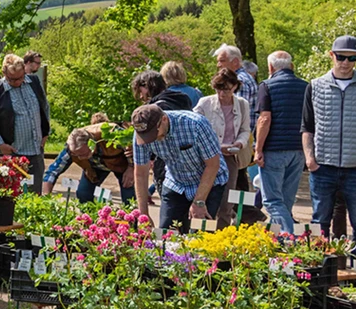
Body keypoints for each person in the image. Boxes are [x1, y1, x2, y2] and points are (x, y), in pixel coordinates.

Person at [302, 35, 356, 261]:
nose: (346, 62)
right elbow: (307, 127)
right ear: (331, 55)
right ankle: (321, 269)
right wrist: (310, 159)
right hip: (322, 168)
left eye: (352, 58)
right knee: (320, 222)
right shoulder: (315, 86)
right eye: (341, 57)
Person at [131, 104, 229, 232]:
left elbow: (212, 165)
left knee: (200, 235)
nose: (152, 139)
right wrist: (143, 214)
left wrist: (199, 202)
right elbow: (140, 174)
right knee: (165, 233)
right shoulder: (141, 134)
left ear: (164, 120)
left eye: (154, 133)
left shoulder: (195, 124)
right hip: (176, 182)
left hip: (210, 181)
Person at [254, 50, 311, 234]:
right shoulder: (307, 86)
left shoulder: (266, 86)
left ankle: (290, 237)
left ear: (270, 67)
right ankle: (278, 239)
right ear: (291, 66)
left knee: (271, 201)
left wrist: (258, 148)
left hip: (274, 149)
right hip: (298, 149)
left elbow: (264, 119)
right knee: (286, 200)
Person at [196, 68, 255, 227]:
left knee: (227, 199)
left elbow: (245, 130)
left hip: (231, 156)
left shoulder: (242, 104)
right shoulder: (205, 103)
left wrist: (240, 143)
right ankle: (203, 231)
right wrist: (215, 145)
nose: (222, 93)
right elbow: (195, 128)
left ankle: (222, 232)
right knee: (205, 195)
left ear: (235, 86)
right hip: (208, 156)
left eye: (227, 89)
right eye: (218, 89)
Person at [0, 53, 52, 181]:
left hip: (36, 151)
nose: (17, 82)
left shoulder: (34, 82)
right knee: (13, 195)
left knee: (35, 196)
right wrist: (0, 144)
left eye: (21, 77)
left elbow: (45, 107)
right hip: (13, 153)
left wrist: (46, 132)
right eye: (12, 79)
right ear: (4, 74)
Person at [66, 113, 133, 204]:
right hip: (96, 165)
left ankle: (132, 217)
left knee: (130, 197)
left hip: (122, 164)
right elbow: (54, 171)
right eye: (76, 155)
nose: (80, 158)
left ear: (90, 143)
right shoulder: (72, 143)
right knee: (83, 193)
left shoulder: (113, 132)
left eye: (83, 154)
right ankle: (89, 217)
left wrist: (131, 167)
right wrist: (87, 168)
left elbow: (133, 146)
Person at [215, 44, 259, 126]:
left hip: (240, 133)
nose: (218, 65)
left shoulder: (239, 80)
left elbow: (238, 111)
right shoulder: (243, 77)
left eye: (222, 61)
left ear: (235, 61)